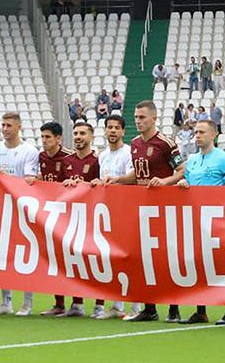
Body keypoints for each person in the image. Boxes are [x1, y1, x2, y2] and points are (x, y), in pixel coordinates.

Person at [108, 101, 184, 322]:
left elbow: (181, 171)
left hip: (165, 206)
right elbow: (137, 174)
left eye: (142, 117)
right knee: (143, 258)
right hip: (141, 207)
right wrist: (118, 180)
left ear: (154, 118)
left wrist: (164, 181)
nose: (138, 121)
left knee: (166, 258)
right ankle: (149, 307)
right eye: (136, 117)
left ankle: (173, 307)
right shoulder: (133, 144)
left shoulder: (165, 143)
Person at [176, 120, 225, 325]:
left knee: (224, 264)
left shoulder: (224, 159)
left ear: (213, 135)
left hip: (218, 219)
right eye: (196, 132)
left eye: (202, 132)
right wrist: (183, 183)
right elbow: (187, 181)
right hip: (196, 219)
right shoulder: (193, 159)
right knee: (199, 263)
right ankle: (201, 310)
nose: (197, 135)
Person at [0, 112, 40, 316]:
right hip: (1, 209)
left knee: (26, 255)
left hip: (22, 209)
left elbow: (29, 181)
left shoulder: (29, 150)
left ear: (19, 127)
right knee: (3, 255)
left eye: (9, 125)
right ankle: (5, 301)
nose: (5, 128)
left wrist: (6, 177)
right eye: (3, 125)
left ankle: (27, 303)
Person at [55, 121, 100, 318]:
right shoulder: (67, 161)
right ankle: (77, 304)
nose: (79, 137)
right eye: (76, 133)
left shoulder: (97, 160)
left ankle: (99, 305)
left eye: (83, 133)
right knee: (72, 259)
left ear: (91, 137)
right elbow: (57, 189)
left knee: (97, 259)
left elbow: (103, 186)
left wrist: (86, 184)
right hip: (72, 218)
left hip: (93, 218)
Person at [88, 114, 131, 320]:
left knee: (126, 259)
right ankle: (115, 304)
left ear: (123, 131)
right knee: (107, 258)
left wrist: (116, 181)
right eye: (109, 127)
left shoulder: (129, 153)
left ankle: (131, 304)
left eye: (116, 127)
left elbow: (133, 178)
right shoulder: (102, 156)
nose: (112, 131)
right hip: (106, 213)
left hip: (125, 211)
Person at [34, 121, 75, 317]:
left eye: (48, 137)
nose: (44, 141)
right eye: (42, 137)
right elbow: (45, 178)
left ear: (58, 138)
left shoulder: (68, 157)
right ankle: (59, 303)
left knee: (71, 258)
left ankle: (77, 302)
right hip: (49, 214)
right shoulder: (41, 156)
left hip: (68, 215)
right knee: (54, 258)